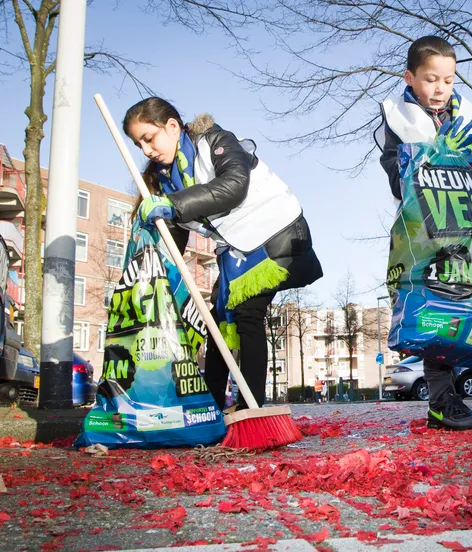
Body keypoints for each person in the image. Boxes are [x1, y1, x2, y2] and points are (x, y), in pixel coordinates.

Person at [123, 97, 323, 411]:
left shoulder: (215, 141)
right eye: (139, 145)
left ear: (172, 126)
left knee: (247, 313)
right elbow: (174, 240)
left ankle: (251, 407)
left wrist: (173, 205)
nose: (146, 150)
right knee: (217, 322)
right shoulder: (166, 182)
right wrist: (155, 273)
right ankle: (212, 406)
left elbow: (234, 185)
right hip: (237, 251)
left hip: (278, 234)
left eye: (149, 138)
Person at [375, 36, 472, 432]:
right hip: (431, 229)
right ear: (410, 78)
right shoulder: (398, 119)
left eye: (448, 79)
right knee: (441, 305)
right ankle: (442, 401)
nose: (440, 88)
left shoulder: (470, 114)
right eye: (430, 79)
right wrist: (436, 151)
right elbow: (395, 175)